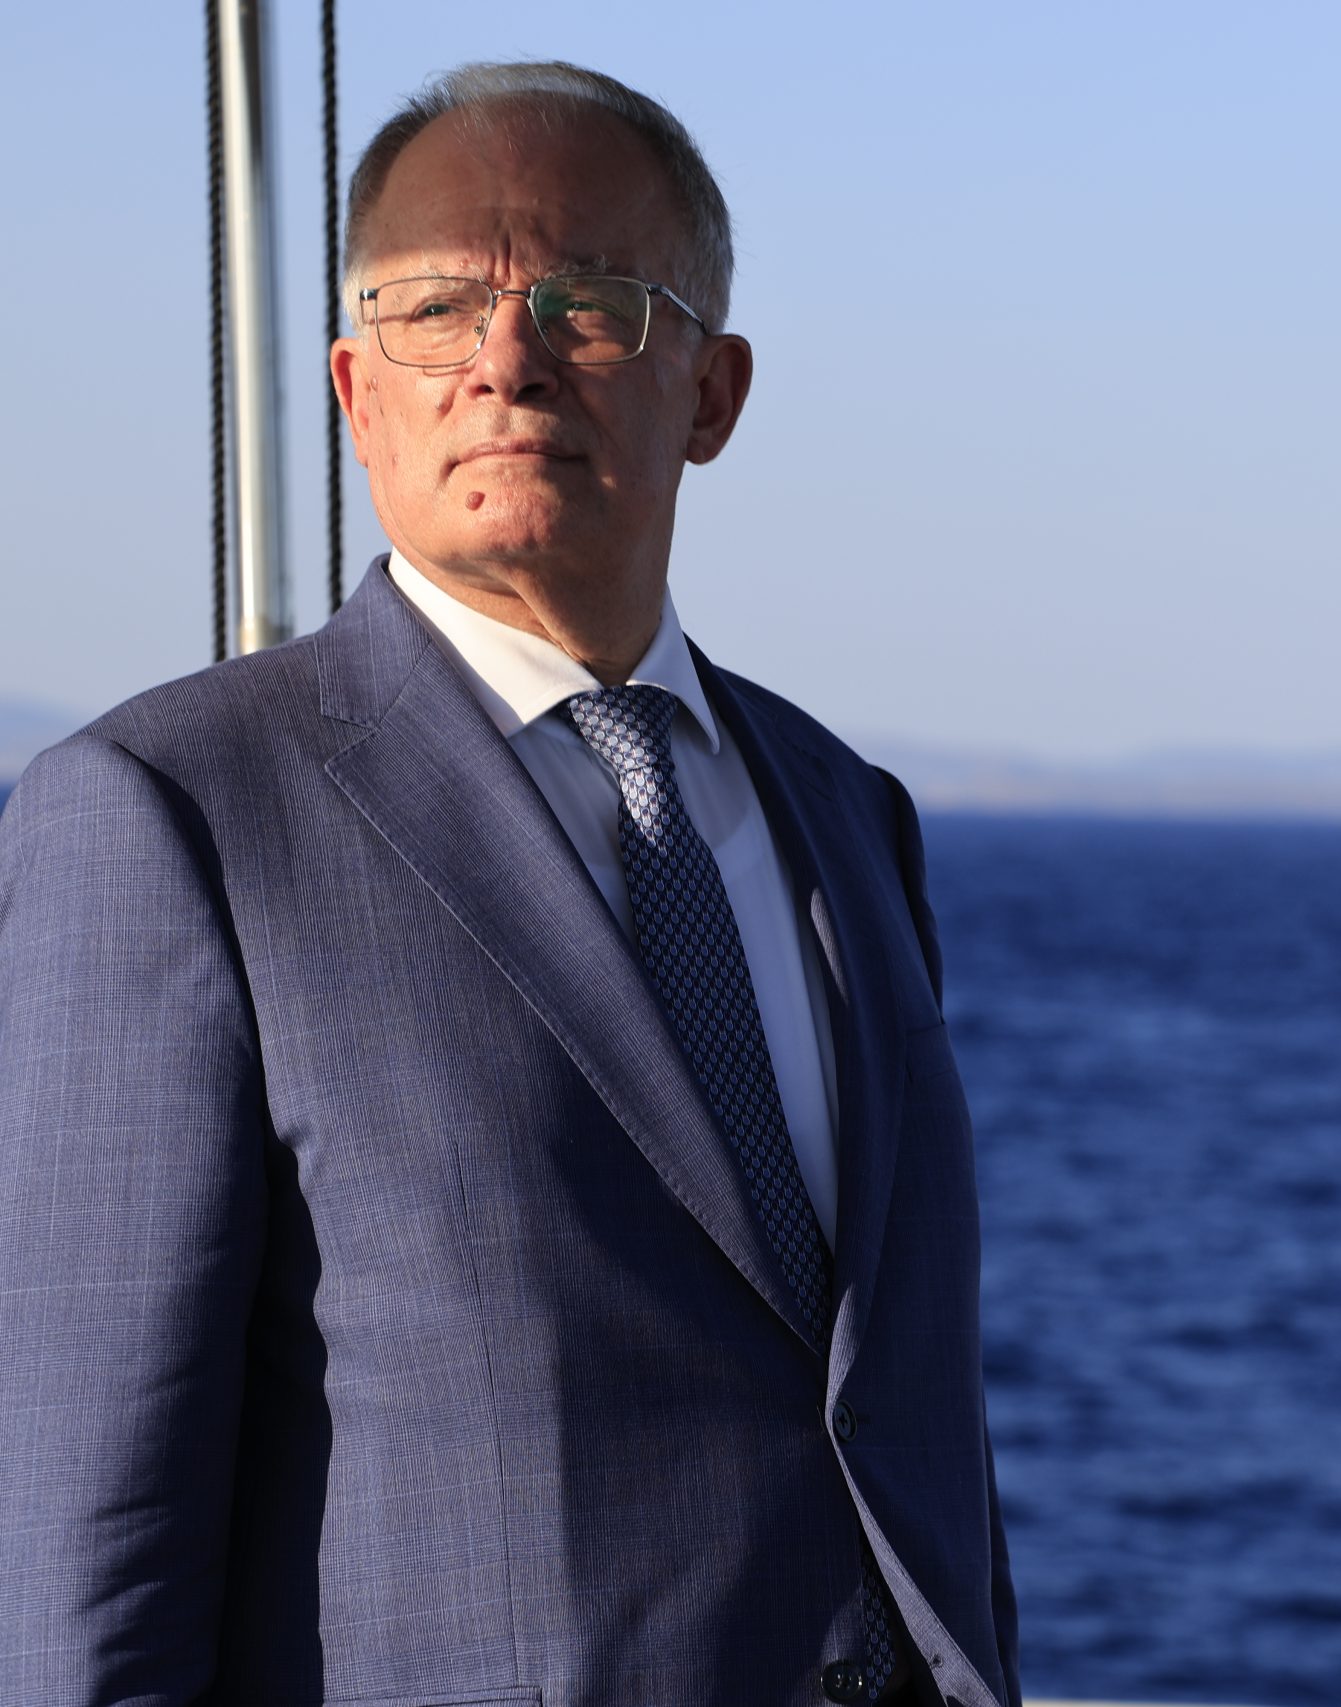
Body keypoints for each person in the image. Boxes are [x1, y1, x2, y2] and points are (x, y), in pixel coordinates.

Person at [0, 61, 1017, 1707]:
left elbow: (894, 1421)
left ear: (713, 393)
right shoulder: (168, 818)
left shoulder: (849, 816)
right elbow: (84, 1566)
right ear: (356, 394)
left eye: (588, 303)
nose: (505, 362)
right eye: (434, 311)